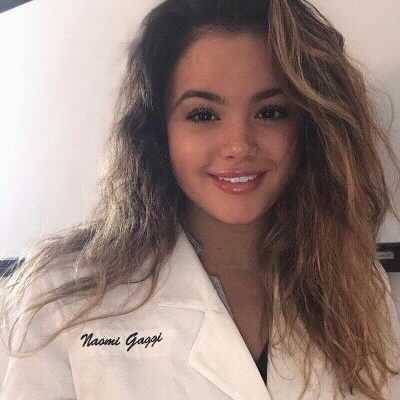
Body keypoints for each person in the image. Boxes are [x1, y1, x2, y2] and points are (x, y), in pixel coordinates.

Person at [1, 0, 400, 399]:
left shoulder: (357, 285)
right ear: (159, 132)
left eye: (271, 112)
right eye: (203, 115)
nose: (238, 145)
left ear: (310, 126)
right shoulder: (63, 300)